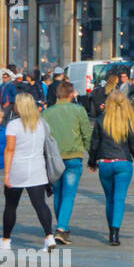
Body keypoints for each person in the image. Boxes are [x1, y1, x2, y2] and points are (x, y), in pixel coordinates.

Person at [0, 92, 56, 253]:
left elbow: (9, 149)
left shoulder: (14, 125)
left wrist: (6, 173)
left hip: (17, 168)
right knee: (40, 204)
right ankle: (49, 236)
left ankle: (6, 239)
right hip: (37, 169)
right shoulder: (41, 123)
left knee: (11, 205)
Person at [88, 90, 134, 246]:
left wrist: (92, 161)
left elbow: (94, 144)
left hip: (105, 162)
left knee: (109, 199)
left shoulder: (100, 120)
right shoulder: (129, 121)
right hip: (123, 163)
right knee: (119, 199)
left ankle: (110, 227)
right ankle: (114, 233)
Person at [42, 80, 93, 246]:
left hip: (54, 158)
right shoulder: (79, 110)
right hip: (73, 157)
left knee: (58, 194)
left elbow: (43, 138)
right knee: (69, 194)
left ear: (57, 95)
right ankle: (62, 228)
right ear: (71, 94)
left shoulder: (47, 113)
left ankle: (62, 227)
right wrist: (92, 155)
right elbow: (86, 134)